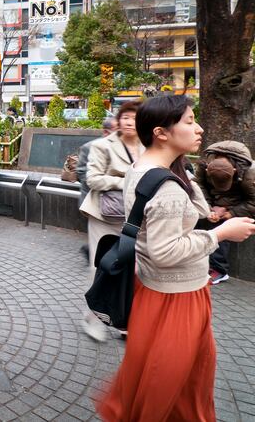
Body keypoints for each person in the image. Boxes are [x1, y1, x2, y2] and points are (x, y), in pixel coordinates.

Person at [97, 94, 255, 421]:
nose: (199, 129)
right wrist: (222, 234)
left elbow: (196, 210)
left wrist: (183, 164)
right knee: (173, 385)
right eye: (189, 121)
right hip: (176, 300)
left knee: (166, 379)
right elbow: (166, 251)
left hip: (158, 292)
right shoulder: (165, 187)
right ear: (161, 132)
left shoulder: (146, 167)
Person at [79, 100, 142, 342]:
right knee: (100, 268)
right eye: (125, 117)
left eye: (134, 117)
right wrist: (126, 181)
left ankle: (123, 319)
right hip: (104, 216)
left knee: (131, 271)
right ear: (118, 120)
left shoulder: (147, 146)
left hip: (133, 216)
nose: (129, 122)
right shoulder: (103, 146)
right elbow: (92, 179)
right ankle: (93, 319)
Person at [193, 140, 255, 284]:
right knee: (198, 217)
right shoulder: (203, 166)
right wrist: (208, 209)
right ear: (208, 170)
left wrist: (229, 213)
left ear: (234, 171)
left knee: (223, 225)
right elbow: (198, 187)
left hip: (240, 204)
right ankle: (195, 261)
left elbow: (253, 202)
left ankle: (219, 269)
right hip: (214, 203)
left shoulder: (250, 173)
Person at [76, 117, 119, 206]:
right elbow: (81, 172)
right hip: (93, 200)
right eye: (117, 129)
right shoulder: (89, 147)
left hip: (116, 201)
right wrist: (101, 182)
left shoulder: (123, 147)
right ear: (106, 132)